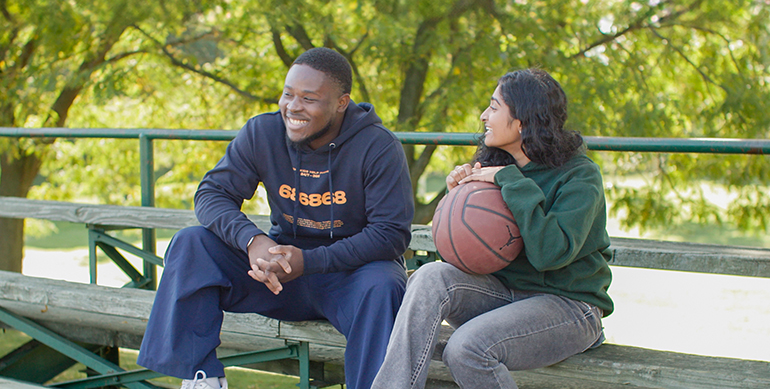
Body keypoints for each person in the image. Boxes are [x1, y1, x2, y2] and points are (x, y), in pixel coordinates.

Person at [137, 47, 415, 389]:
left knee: (384, 284)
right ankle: (202, 377)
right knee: (191, 243)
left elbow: (390, 235)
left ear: (342, 103)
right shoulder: (262, 133)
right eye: (288, 94)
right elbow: (211, 194)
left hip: (349, 278)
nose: (293, 107)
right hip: (277, 276)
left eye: (309, 98)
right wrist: (253, 241)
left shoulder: (378, 146)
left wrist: (311, 261)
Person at [371, 68, 613, 389]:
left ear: (523, 121)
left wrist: (509, 181)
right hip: (501, 297)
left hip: (567, 306)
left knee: (466, 349)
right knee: (429, 276)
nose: (484, 115)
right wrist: (456, 205)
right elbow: (464, 255)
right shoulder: (495, 168)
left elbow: (549, 253)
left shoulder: (580, 176)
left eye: (494, 107)